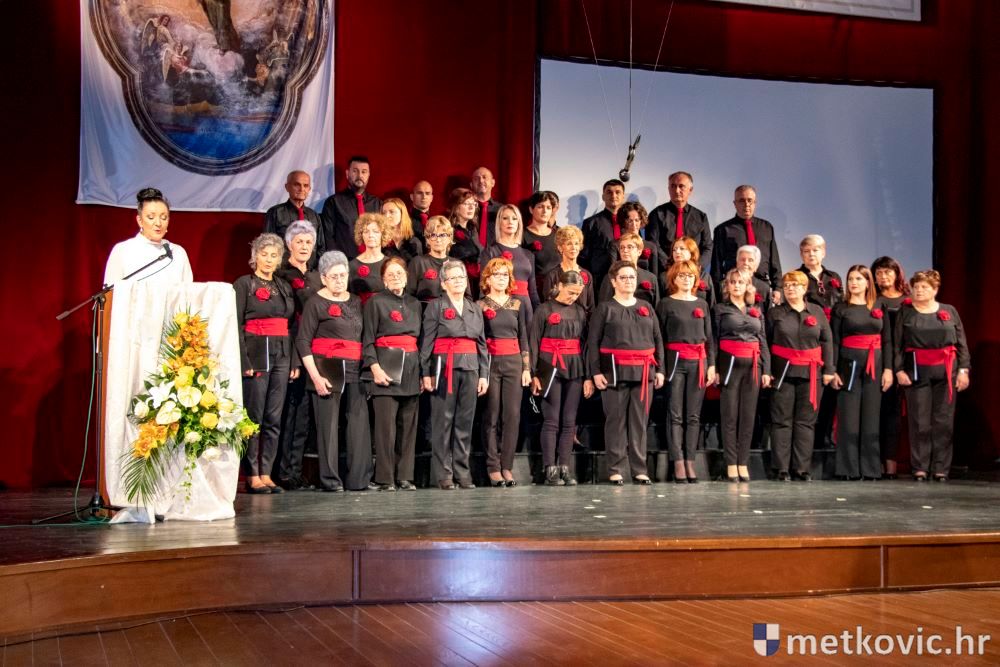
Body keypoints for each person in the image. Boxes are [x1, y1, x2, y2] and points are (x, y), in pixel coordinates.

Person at [297, 251, 374, 492]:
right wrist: (315, 377)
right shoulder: (315, 303)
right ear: (323, 278)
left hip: (354, 368)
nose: (340, 280)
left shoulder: (355, 301)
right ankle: (330, 480)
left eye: (343, 275)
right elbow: (303, 342)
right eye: (334, 276)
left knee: (359, 425)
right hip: (326, 369)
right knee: (328, 428)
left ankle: (359, 480)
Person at [588, 261, 665, 485]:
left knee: (640, 422)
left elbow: (658, 338)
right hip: (614, 371)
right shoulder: (605, 308)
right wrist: (595, 372)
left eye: (632, 277)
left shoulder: (646, 306)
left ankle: (639, 469)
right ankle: (616, 469)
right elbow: (593, 342)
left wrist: (660, 369)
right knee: (616, 421)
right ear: (614, 282)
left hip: (644, 371)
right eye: (623, 277)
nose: (629, 281)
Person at [894, 270, 970, 482]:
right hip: (917, 371)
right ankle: (920, 467)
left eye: (924, 287)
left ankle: (940, 467)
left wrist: (963, 370)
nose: (919, 290)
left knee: (943, 421)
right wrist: (899, 370)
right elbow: (897, 344)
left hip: (946, 371)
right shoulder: (905, 312)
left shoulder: (949, 311)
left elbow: (961, 343)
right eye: (916, 287)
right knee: (919, 421)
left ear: (935, 289)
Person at [234, 233, 295, 493]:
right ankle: (252, 474)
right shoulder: (244, 284)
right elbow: (235, 324)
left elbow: (290, 325)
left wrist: (293, 361)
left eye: (274, 255)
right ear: (255, 256)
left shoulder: (283, 286)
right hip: (256, 353)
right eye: (264, 254)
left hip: (281, 353)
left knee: (273, 416)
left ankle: (267, 472)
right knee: (254, 416)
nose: (269, 260)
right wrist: (243, 359)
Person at [420, 260, 489, 489]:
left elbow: (481, 344)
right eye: (453, 278)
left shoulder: (474, 308)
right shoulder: (436, 306)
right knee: (443, 421)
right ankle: (444, 474)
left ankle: (462, 472)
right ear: (443, 283)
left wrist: (484, 374)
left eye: (461, 277)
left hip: (470, 367)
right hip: (444, 367)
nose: (458, 281)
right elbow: (427, 341)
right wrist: (426, 372)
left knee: (464, 422)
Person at [766, 270, 835, 481]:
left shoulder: (816, 311)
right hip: (782, 373)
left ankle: (801, 468)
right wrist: (767, 371)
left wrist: (829, 370)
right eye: (787, 286)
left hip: (811, 373)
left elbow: (827, 341)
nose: (790, 289)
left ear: (805, 288)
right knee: (781, 420)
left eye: (795, 285)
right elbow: (766, 343)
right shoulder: (775, 313)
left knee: (805, 422)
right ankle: (781, 468)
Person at [362, 257, 422, 491]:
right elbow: (368, 339)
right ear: (383, 280)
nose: (396, 277)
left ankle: (405, 476)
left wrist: (422, 373)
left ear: (406, 277)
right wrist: (374, 368)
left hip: (411, 367)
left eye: (399, 273)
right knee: (385, 428)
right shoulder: (375, 302)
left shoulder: (415, 303)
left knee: (408, 427)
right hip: (385, 367)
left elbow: (421, 340)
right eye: (391, 274)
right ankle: (385, 478)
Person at [830, 265, 894, 480]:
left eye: (858, 279)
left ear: (868, 282)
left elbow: (887, 340)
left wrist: (888, 369)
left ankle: (870, 469)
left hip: (875, 364)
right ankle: (848, 469)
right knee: (848, 417)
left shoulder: (879, 305)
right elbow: (835, 341)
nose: (853, 283)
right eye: (850, 279)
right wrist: (834, 370)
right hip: (849, 363)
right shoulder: (841, 308)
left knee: (871, 417)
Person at [531, 270, 594, 486]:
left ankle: (565, 467)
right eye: (570, 292)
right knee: (551, 420)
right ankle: (550, 468)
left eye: (577, 294)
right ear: (559, 286)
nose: (573, 297)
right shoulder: (544, 309)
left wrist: (588, 376)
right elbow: (534, 341)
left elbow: (585, 345)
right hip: (550, 366)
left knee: (569, 420)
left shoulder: (579, 311)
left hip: (574, 366)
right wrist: (534, 373)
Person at [656, 260, 716, 483]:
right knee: (675, 414)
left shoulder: (702, 304)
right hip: (675, 361)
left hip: (698, 362)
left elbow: (709, 338)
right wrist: (661, 367)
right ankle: (678, 461)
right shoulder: (665, 304)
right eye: (681, 275)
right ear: (674, 278)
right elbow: (659, 338)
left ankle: (690, 459)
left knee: (693, 415)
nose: (686, 279)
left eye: (690, 276)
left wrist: (711, 365)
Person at [274, 221, 323, 490]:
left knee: (304, 416)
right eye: (299, 242)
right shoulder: (281, 274)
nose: (304, 247)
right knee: (288, 414)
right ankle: (282, 471)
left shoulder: (316, 277)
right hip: (292, 348)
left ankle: (295, 470)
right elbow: (288, 320)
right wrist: (294, 357)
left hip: (314, 350)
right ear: (289, 244)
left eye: (308, 242)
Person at [477, 258, 531, 487]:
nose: (501, 278)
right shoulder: (480, 305)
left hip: (514, 361)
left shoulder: (518, 304)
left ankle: (507, 465)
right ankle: (493, 467)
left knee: (512, 415)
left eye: (505, 275)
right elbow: (479, 339)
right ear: (487, 279)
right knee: (491, 414)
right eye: (496, 274)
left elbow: (524, 337)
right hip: (491, 361)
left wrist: (526, 368)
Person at [714, 268, 770, 482]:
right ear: (727, 286)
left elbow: (763, 341)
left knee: (748, 415)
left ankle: (743, 462)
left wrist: (767, 370)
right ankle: (731, 462)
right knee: (729, 415)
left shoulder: (755, 310)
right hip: (729, 364)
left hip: (753, 365)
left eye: (741, 282)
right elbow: (713, 339)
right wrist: (714, 367)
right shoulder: (720, 309)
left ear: (748, 286)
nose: (736, 285)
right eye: (733, 282)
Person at [797, 234, 842, 451]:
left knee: (831, 389)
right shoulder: (798, 277)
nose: (811, 254)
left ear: (823, 252)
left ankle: (825, 436)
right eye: (806, 251)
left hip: (833, 337)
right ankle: (810, 442)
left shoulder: (834, 277)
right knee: (811, 393)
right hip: (811, 338)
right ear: (801, 255)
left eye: (815, 250)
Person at [104, 187, 193, 286]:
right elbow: (109, 292)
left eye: (164, 218)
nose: (158, 223)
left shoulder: (177, 252)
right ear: (140, 221)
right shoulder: (122, 250)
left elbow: (187, 292)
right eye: (151, 217)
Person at [871, 256, 910, 478]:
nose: (883, 276)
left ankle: (891, 463)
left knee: (893, 415)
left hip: (902, 362)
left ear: (897, 274)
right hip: (877, 360)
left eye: (887, 271)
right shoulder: (872, 300)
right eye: (878, 273)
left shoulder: (908, 301)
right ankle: (873, 461)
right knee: (876, 412)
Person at [711, 185, 782, 304]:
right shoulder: (723, 230)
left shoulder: (766, 227)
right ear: (735, 204)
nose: (746, 204)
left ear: (755, 202)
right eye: (741, 200)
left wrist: (778, 288)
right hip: (735, 287)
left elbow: (774, 261)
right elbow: (716, 265)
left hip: (761, 286)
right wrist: (717, 292)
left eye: (750, 200)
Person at [479, 204, 540, 322]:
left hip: (525, 307)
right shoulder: (490, 252)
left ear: (519, 223)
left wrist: (539, 313)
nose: (510, 222)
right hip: (501, 306)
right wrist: (486, 309)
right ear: (499, 223)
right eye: (505, 218)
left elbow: (533, 291)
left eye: (514, 218)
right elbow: (484, 286)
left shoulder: (528, 254)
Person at [646, 171, 712, 272]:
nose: (677, 190)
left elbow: (707, 246)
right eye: (673, 186)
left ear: (690, 190)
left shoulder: (700, 217)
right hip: (665, 271)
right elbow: (653, 243)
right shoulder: (657, 214)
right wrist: (670, 265)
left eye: (681, 186)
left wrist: (696, 266)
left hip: (693, 271)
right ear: (668, 189)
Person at [320, 155, 382, 260]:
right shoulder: (333, 202)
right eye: (355, 171)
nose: (359, 175)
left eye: (364, 172)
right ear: (347, 173)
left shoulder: (377, 203)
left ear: (368, 175)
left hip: (373, 260)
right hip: (345, 262)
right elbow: (328, 236)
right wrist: (338, 261)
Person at [264, 170, 325, 257]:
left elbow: (321, 247)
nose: (302, 189)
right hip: (284, 265)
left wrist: (314, 265)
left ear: (309, 189)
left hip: (310, 265)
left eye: (306, 185)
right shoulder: (275, 212)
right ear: (287, 187)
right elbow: (268, 244)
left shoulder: (314, 216)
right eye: (297, 185)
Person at [580, 178, 626, 285]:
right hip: (600, 279)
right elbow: (584, 255)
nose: (613, 195)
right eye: (609, 192)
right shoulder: (591, 223)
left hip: (627, 277)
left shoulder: (630, 221)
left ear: (623, 196)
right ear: (603, 196)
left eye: (618, 192)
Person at [541, 225, 596, 313]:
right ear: (560, 248)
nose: (573, 247)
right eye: (569, 244)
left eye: (576, 243)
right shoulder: (552, 275)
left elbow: (591, 306)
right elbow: (547, 305)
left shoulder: (587, 275)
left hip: (582, 321)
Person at [599, 232, 659, 306]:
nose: (625, 250)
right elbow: (604, 307)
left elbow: (655, 307)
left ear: (639, 251)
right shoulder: (611, 277)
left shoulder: (651, 278)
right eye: (622, 247)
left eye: (629, 247)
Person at [408, 216, 455, 304]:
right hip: (424, 310)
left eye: (442, 235)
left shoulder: (456, 264)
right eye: (433, 235)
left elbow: (467, 297)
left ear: (449, 238)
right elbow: (409, 296)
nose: (438, 240)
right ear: (427, 239)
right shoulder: (418, 262)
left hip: (452, 309)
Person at [662, 236, 715, 311]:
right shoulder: (665, 276)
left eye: (682, 248)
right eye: (674, 249)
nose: (677, 252)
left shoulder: (705, 277)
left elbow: (712, 305)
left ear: (692, 252)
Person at [447, 188, 484, 295]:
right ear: (456, 207)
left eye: (473, 204)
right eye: (466, 203)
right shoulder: (448, 229)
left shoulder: (473, 229)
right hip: (458, 282)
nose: (471, 207)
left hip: (476, 283)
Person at [523, 191, 561, 293]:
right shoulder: (522, 235)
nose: (545, 211)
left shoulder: (559, 234)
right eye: (540, 207)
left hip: (559, 289)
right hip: (533, 290)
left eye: (548, 208)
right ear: (531, 209)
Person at [616, 201, 667, 278]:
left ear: (641, 221)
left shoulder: (651, 246)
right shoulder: (616, 244)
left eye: (637, 220)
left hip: (646, 283)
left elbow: (654, 276)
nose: (634, 224)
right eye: (630, 220)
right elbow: (613, 271)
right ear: (624, 221)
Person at [348, 212, 389, 305]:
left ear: (383, 234)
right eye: (366, 232)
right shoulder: (352, 265)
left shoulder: (389, 264)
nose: (371, 235)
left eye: (375, 231)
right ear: (361, 235)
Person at [735, 245, 775, 313]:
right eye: (742, 259)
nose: (746, 263)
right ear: (737, 263)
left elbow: (769, 316)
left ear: (756, 266)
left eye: (750, 260)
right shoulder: (724, 286)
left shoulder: (765, 289)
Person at [381, 198, 423, 262]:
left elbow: (418, 266)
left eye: (391, 212)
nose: (387, 216)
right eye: (384, 213)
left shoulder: (414, 242)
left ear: (402, 214)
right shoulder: (379, 241)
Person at [471, 166, 502, 247]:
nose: (481, 181)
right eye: (477, 179)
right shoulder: (465, 209)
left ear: (493, 183)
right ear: (471, 185)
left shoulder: (502, 210)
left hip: (496, 253)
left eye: (484, 177)